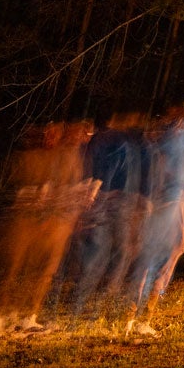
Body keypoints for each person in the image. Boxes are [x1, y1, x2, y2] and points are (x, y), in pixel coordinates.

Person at [0, 120, 92, 335]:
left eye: (56, 134)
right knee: (18, 268)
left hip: (54, 222)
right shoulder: (34, 158)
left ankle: (25, 314)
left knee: (42, 271)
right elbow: (27, 190)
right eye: (49, 134)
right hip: (31, 222)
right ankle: (0, 313)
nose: (52, 138)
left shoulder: (67, 157)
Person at [131, 101, 184, 333]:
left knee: (152, 256)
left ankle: (134, 317)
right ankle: (142, 319)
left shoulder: (164, 147)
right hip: (176, 206)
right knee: (168, 253)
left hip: (166, 204)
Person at [65, 110, 153, 324]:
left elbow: (136, 172)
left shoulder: (125, 142)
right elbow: (102, 170)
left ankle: (94, 302)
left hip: (117, 201)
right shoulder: (115, 141)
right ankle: (90, 302)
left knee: (114, 252)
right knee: (110, 252)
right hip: (111, 201)